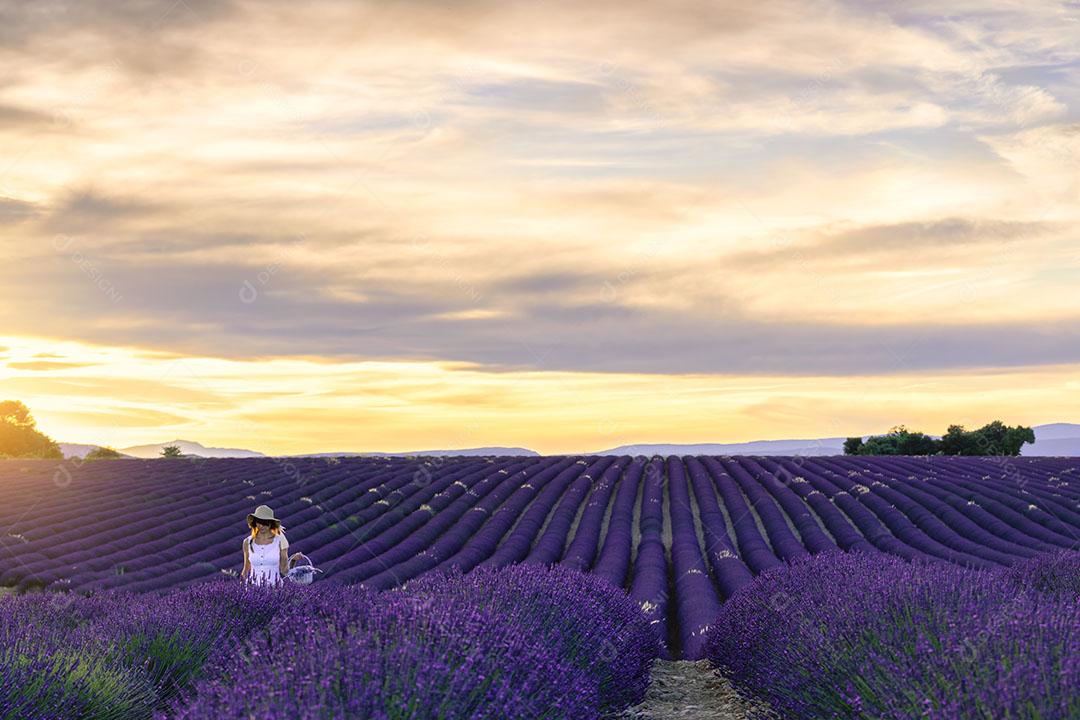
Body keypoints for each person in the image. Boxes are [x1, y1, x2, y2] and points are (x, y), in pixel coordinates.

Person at [241, 505, 292, 586]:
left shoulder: (280, 541)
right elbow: (246, 569)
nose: (261, 526)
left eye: (265, 523)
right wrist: (241, 587)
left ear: (270, 523)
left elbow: (284, 570)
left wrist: (293, 560)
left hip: (275, 589)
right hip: (252, 589)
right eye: (259, 522)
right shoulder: (247, 542)